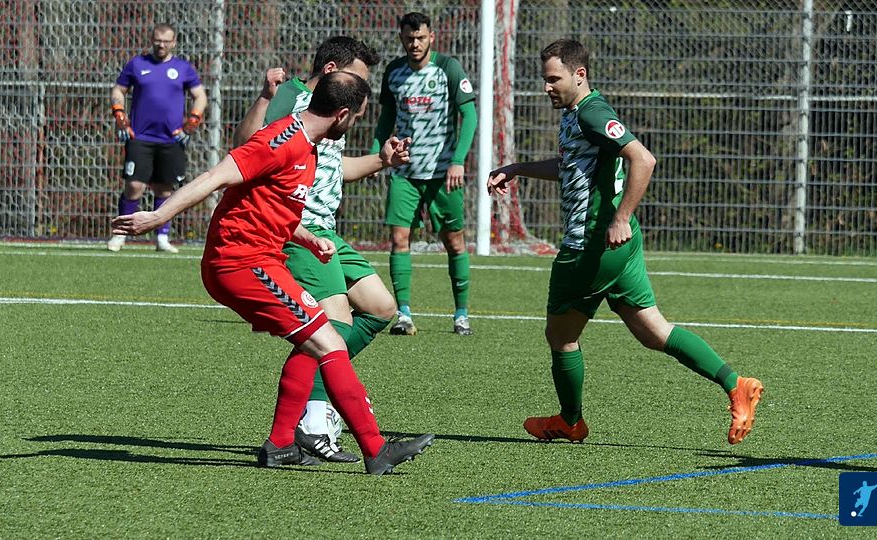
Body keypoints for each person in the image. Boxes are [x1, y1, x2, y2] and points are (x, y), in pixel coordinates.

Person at [111, 72, 434, 475]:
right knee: (330, 342)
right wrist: (158, 216)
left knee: (316, 340)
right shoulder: (281, 140)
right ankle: (376, 449)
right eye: (356, 118)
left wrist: (308, 239)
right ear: (342, 114)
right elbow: (215, 177)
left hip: (262, 259)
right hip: (238, 262)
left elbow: (272, 206)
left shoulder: (310, 147)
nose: (354, 126)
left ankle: (280, 444)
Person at [487, 39, 764, 445]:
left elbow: (643, 159)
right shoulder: (577, 113)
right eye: (545, 79)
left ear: (579, 75)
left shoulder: (592, 112)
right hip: (619, 249)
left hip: (592, 246)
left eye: (554, 79)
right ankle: (735, 384)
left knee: (561, 337)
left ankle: (570, 421)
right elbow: (571, 167)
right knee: (654, 331)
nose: (547, 87)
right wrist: (518, 168)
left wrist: (620, 218)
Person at [234, 37, 408, 463]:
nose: (363, 91)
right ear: (331, 70)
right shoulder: (293, 97)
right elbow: (245, 147)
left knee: (381, 308)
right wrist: (263, 98)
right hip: (300, 228)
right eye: (357, 78)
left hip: (328, 230)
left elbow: (335, 168)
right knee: (333, 325)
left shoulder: (333, 113)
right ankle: (313, 421)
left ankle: (320, 393)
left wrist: (382, 161)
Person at [371, 11, 478, 336]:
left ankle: (461, 314)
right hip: (404, 172)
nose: (414, 44)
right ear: (401, 38)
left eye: (420, 38)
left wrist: (458, 160)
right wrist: (377, 156)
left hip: (443, 173)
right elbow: (386, 118)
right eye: (409, 38)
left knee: (454, 241)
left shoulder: (448, 68)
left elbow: (469, 115)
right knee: (398, 239)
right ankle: (404, 314)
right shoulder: (394, 72)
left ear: (431, 37)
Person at [107, 23, 207, 254]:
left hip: (171, 139)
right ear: (152, 40)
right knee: (134, 186)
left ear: (174, 42)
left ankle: (162, 237)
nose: (161, 45)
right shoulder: (137, 64)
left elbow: (200, 96)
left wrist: (192, 121)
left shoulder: (183, 68)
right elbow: (118, 90)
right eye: (158, 40)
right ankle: (120, 234)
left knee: (165, 189)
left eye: (166, 41)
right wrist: (119, 113)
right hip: (140, 136)